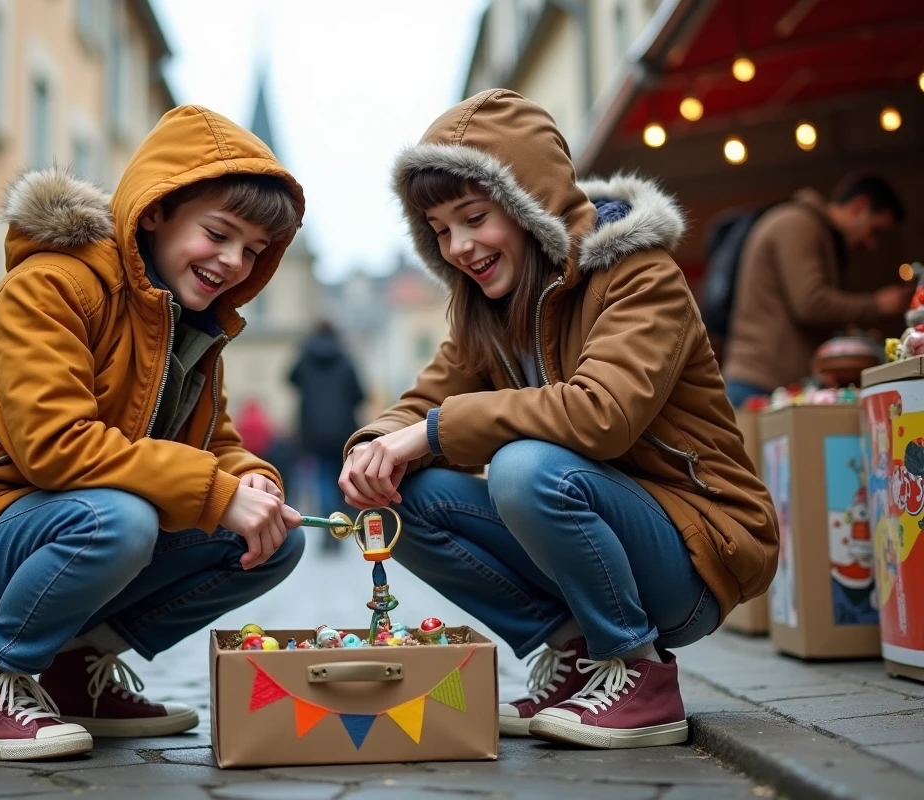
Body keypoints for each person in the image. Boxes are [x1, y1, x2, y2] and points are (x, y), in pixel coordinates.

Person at [0, 106, 305, 761]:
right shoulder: (53, 285)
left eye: (254, 250)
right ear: (156, 210)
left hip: (48, 530)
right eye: (219, 233)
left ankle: (75, 672)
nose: (234, 261)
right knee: (119, 520)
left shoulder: (191, 327)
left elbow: (216, 448)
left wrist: (253, 483)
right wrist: (215, 490)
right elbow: (55, 444)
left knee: (274, 540)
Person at [339, 90, 777, 749]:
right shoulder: (487, 311)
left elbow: (603, 416)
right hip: (598, 534)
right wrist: (373, 447)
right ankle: (576, 654)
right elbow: (425, 400)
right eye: (439, 230)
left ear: (526, 203)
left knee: (524, 466)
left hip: (697, 548)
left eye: (474, 217)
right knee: (396, 500)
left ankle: (640, 671)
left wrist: (428, 433)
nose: (459, 246)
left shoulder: (638, 275)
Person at [722, 175, 909, 406]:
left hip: (769, 383)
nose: (872, 244)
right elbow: (810, 303)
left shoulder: (814, 229)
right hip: (761, 384)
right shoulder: (799, 224)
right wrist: (876, 305)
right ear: (858, 206)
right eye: (875, 231)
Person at [288, 321, 365, 537]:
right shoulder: (345, 359)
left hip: (313, 430)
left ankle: (330, 526)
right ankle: (340, 522)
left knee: (321, 475)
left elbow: (289, 379)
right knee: (339, 476)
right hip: (343, 430)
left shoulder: (305, 358)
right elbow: (360, 395)